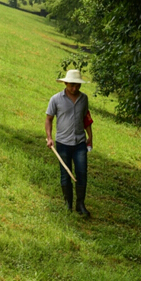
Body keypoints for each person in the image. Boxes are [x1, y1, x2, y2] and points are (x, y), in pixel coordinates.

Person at [45, 69, 93, 217]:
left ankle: (80, 205)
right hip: (63, 143)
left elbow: (86, 119)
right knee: (65, 174)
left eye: (77, 85)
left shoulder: (84, 99)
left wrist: (90, 136)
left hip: (80, 143)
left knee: (82, 173)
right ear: (65, 83)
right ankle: (68, 204)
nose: (75, 88)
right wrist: (49, 137)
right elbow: (49, 119)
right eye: (72, 85)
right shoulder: (56, 99)